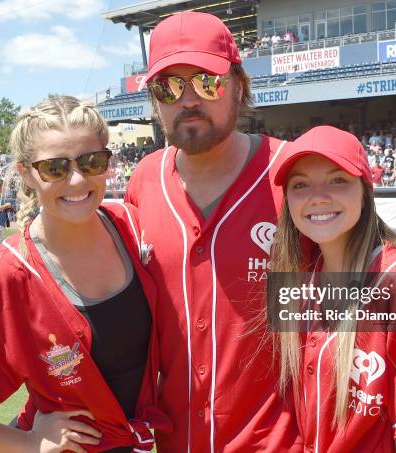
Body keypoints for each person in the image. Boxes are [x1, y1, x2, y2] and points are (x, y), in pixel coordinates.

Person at [0, 96, 169, 452]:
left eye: (92, 161)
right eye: (55, 168)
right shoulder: (6, 276)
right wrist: (24, 444)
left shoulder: (133, 227)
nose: (77, 180)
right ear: (26, 172)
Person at [124, 11, 301, 452]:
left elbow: (369, 280)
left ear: (239, 86)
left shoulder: (294, 172)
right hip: (174, 441)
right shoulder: (144, 180)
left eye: (207, 81)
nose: (188, 99)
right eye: (169, 86)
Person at [270, 125, 396, 451]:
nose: (318, 197)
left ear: (365, 191)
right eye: (301, 184)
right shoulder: (300, 277)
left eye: (337, 180)